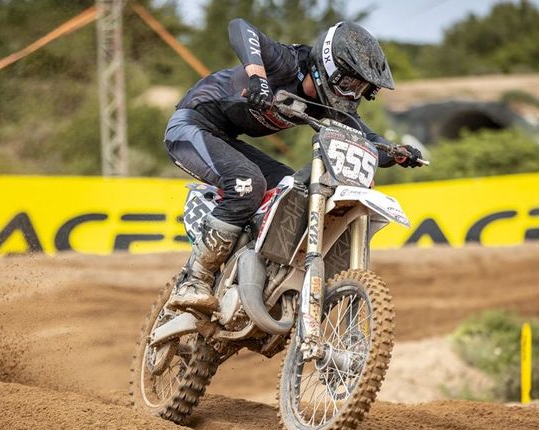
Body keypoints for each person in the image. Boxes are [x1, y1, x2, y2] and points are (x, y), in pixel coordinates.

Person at [164, 18, 423, 311]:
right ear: (329, 68)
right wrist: (257, 78)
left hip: (226, 139)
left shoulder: (325, 105)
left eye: (360, 88)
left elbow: (365, 137)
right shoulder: (287, 63)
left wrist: (396, 152)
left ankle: (254, 276)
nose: (352, 94)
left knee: (294, 191)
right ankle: (194, 278)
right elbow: (239, 27)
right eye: (349, 84)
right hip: (190, 125)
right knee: (247, 183)